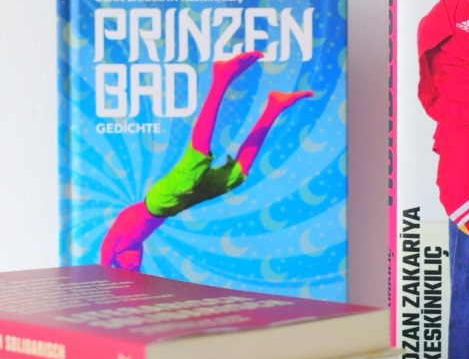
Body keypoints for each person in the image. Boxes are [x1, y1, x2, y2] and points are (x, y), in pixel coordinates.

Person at [99, 50, 312, 271]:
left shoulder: (112, 246)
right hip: (175, 205)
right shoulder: (133, 246)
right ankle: (274, 107)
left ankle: (221, 77)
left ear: (116, 259)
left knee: (198, 156)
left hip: (159, 200)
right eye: (135, 266)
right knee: (235, 176)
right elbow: (135, 268)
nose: (135, 263)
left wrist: (106, 272)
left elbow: (104, 263)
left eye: (130, 265)